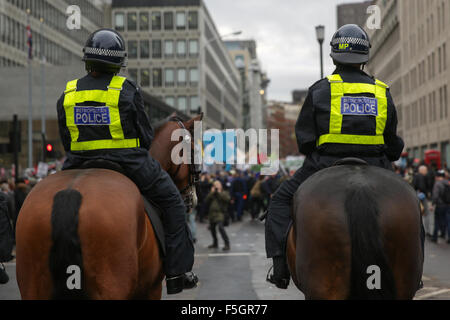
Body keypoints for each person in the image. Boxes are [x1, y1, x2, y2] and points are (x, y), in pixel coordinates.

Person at [265, 24, 412, 289]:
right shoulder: (382, 91)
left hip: (322, 166)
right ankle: (415, 272)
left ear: (333, 55)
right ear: (365, 57)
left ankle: (280, 270)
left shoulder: (320, 90)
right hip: (377, 165)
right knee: (411, 207)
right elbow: (392, 144)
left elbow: (305, 140)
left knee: (279, 203)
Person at [56, 28, 197, 295]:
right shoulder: (126, 88)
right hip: (128, 161)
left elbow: (66, 136)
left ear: (88, 60)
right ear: (118, 64)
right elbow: (144, 136)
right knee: (173, 204)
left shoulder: (69, 91)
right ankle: (179, 273)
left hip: (77, 162)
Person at [205, 181, 231, 251]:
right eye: (215, 185)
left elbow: (227, 199)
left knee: (220, 228)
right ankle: (215, 243)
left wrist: (219, 192)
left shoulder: (224, 192)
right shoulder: (212, 194)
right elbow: (206, 200)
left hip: (220, 213)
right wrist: (212, 192)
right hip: (212, 214)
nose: (216, 186)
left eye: (218, 185)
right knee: (212, 229)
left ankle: (227, 244)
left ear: (221, 185)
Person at [431, 170, 450, 243]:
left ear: (437, 177)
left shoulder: (437, 184)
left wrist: (433, 204)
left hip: (440, 205)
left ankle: (435, 237)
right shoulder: (448, 182)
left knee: (437, 221)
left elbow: (435, 196)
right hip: (448, 205)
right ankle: (447, 236)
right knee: (448, 221)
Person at [414, 165, 433, 236]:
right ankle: (427, 230)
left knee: (418, 214)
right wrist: (426, 193)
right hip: (422, 197)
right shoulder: (421, 176)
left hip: (416, 196)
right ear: (422, 170)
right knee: (426, 214)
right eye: (425, 170)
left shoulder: (416, 176)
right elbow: (422, 187)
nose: (426, 172)